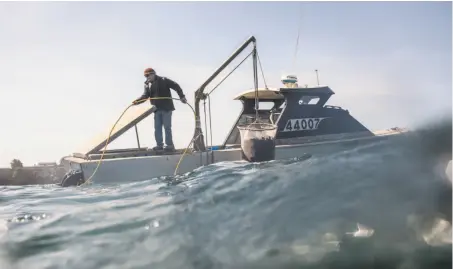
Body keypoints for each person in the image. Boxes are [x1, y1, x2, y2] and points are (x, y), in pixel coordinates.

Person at [133, 67, 187, 152]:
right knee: (157, 128)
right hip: (156, 109)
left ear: (153, 74)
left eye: (148, 75)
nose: (147, 78)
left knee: (167, 127)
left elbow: (176, 86)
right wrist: (136, 101)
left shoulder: (164, 80)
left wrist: (182, 96)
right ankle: (159, 145)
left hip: (166, 108)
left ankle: (169, 145)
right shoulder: (147, 84)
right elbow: (145, 96)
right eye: (145, 76)